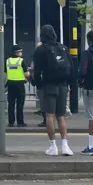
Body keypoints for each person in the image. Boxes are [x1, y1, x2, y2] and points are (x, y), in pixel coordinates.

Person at [33, 25, 74, 156]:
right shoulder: (62, 48)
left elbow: (37, 71)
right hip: (63, 85)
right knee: (61, 116)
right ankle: (65, 145)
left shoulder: (41, 50)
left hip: (48, 85)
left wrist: (38, 85)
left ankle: (52, 146)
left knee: (49, 116)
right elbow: (71, 68)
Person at [6, 45, 30, 127]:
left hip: (10, 84)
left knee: (11, 104)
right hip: (19, 84)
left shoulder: (7, 61)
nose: (21, 53)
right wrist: (28, 76)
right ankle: (20, 122)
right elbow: (26, 73)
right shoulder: (21, 61)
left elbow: (5, 72)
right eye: (20, 51)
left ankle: (11, 122)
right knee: (20, 104)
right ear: (17, 52)